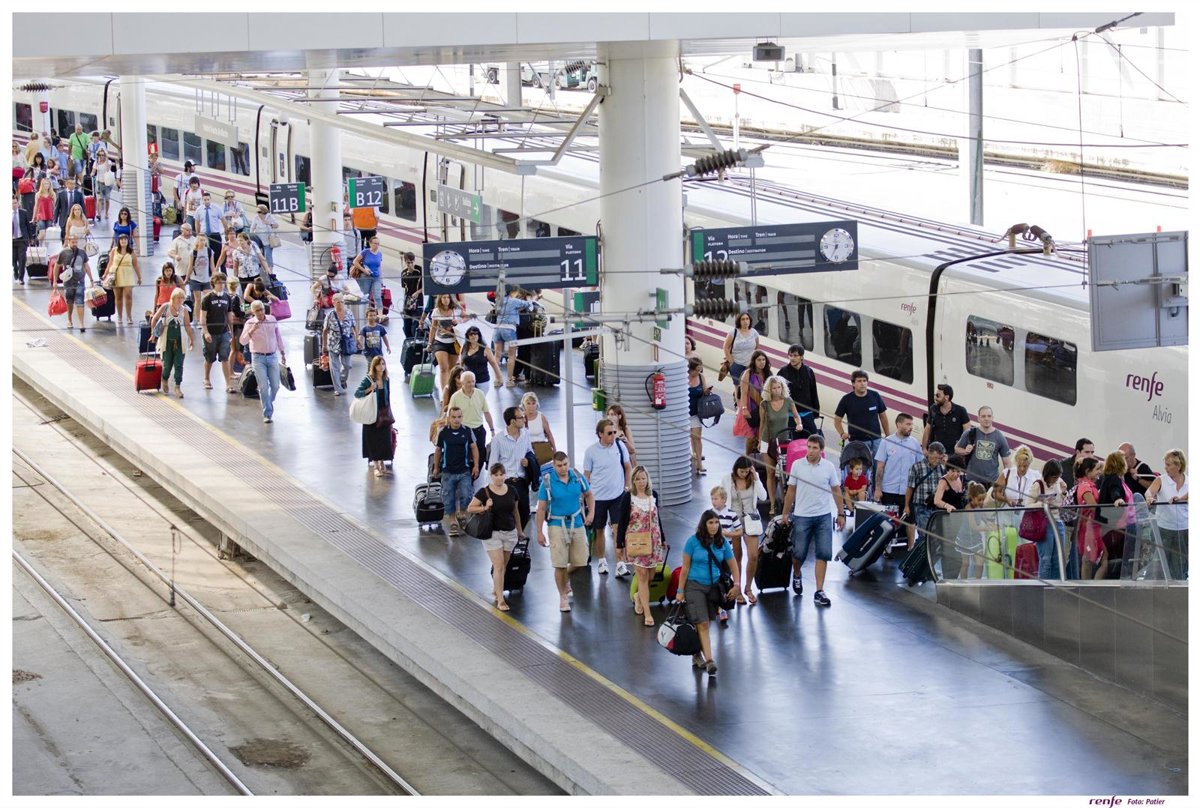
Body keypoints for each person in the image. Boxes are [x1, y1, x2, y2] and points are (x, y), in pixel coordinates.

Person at [780, 434, 845, 607]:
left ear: (821, 450)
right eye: (809, 447)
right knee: (799, 554)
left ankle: (819, 591)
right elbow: (791, 491)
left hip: (823, 516)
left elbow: (836, 490)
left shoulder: (829, 467)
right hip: (802, 515)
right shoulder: (797, 465)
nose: (810, 450)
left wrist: (841, 513)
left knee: (823, 553)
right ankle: (797, 573)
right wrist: (785, 513)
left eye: (814, 448)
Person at [673, 510, 741, 676]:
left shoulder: (722, 542)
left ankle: (696, 653)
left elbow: (733, 564)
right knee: (702, 623)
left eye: (716, 522)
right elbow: (685, 568)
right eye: (710, 522)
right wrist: (680, 591)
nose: (714, 526)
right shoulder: (692, 542)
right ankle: (710, 660)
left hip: (713, 588)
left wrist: (737, 585)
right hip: (694, 586)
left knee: (704, 623)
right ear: (704, 524)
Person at [535, 451, 595, 613]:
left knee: (581, 561)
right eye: (559, 466)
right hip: (556, 524)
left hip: (576, 522)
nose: (563, 468)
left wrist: (591, 513)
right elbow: (541, 509)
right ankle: (562, 596)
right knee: (559, 564)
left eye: (565, 464)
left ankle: (564, 577)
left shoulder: (577, 477)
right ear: (554, 466)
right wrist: (539, 532)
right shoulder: (547, 482)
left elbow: (589, 495)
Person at [467, 463, 525, 611]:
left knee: (503, 565)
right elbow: (471, 508)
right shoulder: (484, 492)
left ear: (505, 475)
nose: (499, 478)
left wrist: (519, 530)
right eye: (496, 475)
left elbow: (515, 512)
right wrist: (485, 507)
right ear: (491, 476)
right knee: (499, 565)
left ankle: (496, 589)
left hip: (509, 532)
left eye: (501, 474)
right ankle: (500, 600)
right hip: (492, 533)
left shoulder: (512, 490)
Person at [617, 465, 667, 627]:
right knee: (642, 575)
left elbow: (657, 519)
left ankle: (639, 596)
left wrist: (663, 538)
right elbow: (622, 520)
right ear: (633, 481)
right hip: (636, 541)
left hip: (654, 540)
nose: (641, 482)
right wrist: (619, 543)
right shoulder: (628, 497)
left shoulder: (654, 496)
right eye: (637, 479)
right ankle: (648, 613)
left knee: (651, 575)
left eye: (643, 478)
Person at [583, 418, 634, 579]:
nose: (613, 435)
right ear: (600, 434)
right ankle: (601, 561)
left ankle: (620, 563)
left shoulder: (620, 446)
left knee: (618, 529)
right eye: (609, 433)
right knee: (599, 530)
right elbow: (586, 476)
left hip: (617, 496)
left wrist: (627, 486)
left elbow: (628, 467)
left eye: (614, 432)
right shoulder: (591, 452)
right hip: (598, 498)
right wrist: (585, 498)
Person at [722, 456, 768, 604]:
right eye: (742, 471)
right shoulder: (727, 479)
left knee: (753, 555)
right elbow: (722, 499)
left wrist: (756, 479)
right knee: (737, 556)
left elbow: (763, 496)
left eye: (747, 471)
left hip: (750, 520)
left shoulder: (753, 478)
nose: (744, 474)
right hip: (734, 521)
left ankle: (748, 587)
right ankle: (738, 589)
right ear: (736, 469)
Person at [432, 406, 480, 536]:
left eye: (459, 417)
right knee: (448, 498)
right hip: (447, 472)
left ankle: (462, 514)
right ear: (449, 418)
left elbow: (474, 448)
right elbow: (438, 450)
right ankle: (452, 521)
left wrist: (476, 466)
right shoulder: (443, 432)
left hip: (464, 470)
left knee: (467, 494)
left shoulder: (467, 431)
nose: (456, 420)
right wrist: (436, 467)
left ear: (462, 417)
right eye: (453, 417)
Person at [486, 406, 534, 534]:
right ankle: (512, 540)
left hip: (522, 481)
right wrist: (489, 488)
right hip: (506, 482)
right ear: (512, 421)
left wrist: (528, 461)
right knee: (508, 515)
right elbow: (493, 463)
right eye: (521, 417)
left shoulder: (526, 434)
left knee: (525, 513)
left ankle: (518, 537)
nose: (524, 419)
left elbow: (530, 452)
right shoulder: (498, 439)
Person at [238, 299, 287, 423]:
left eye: (261, 310)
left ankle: (268, 402)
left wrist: (282, 351)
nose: (260, 312)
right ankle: (267, 413)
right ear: (253, 312)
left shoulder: (272, 319)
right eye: (257, 311)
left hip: (272, 356)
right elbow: (242, 341)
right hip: (258, 358)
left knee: (275, 386)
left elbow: (278, 336)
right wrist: (252, 330)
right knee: (263, 387)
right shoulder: (249, 323)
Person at [758, 375, 800, 514]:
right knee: (770, 472)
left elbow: (796, 416)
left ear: (782, 388)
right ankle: (772, 504)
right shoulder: (764, 404)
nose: (776, 390)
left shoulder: (788, 401)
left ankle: (784, 501)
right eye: (773, 388)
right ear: (769, 390)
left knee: (783, 473)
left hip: (783, 441)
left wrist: (799, 424)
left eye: (778, 387)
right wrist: (759, 441)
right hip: (767, 440)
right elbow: (762, 423)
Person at [1146, 449, 1187, 580]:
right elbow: (1149, 492)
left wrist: (1181, 499)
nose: (1165, 468)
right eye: (1166, 464)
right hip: (1163, 529)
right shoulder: (1161, 480)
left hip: (1184, 529)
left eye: (1169, 465)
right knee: (1158, 564)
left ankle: (1178, 590)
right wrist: (1150, 498)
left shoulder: (1190, 481)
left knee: (1180, 566)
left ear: (1178, 466)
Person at [874, 412, 923, 519]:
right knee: (887, 523)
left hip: (908, 491)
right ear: (898, 424)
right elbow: (880, 468)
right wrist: (877, 489)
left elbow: (921, 467)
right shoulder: (886, 442)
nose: (911, 427)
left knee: (909, 522)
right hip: (889, 490)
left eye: (911, 424)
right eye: (908, 424)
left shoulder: (915, 443)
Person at [148, 287, 196, 398]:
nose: (180, 300)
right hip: (167, 342)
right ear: (173, 298)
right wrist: (153, 334)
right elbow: (154, 319)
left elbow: (188, 326)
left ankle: (177, 387)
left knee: (179, 365)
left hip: (180, 343)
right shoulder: (166, 307)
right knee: (167, 365)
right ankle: (164, 378)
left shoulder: (184, 310)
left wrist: (191, 340)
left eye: (182, 298)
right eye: (178, 298)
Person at [834, 370, 890, 459]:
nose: (862, 383)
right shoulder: (846, 399)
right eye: (859, 381)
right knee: (860, 467)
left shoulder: (875, 395)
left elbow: (883, 416)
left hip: (876, 440)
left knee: (878, 465)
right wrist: (842, 433)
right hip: (857, 442)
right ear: (853, 384)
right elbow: (837, 420)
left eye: (864, 381)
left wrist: (888, 435)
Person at [355, 356, 395, 477]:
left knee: (384, 439)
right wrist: (369, 389)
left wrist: (390, 412)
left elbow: (388, 397)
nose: (381, 366)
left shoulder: (386, 379)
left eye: (383, 364)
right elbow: (357, 393)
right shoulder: (368, 379)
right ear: (374, 366)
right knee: (373, 440)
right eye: (378, 364)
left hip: (383, 413)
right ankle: (376, 465)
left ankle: (382, 462)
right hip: (372, 413)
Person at [954, 406, 1012, 488]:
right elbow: (956, 449)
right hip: (971, 481)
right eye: (983, 416)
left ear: (992, 418)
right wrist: (965, 451)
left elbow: (1007, 463)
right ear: (978, 418)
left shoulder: (999, 436)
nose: (986, 419)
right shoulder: (970, 433)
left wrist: (1004, 482)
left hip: (991, 483)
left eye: (989, 416)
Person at [904, 441, 947, 551]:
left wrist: (946, 463)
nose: (937, 461)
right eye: (935, 458)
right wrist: (907, 506)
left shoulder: (942, 468)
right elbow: (910, 488)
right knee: (925, 534)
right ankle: (920, 554)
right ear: (928, 453)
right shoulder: (916, 467)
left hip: (936, 506)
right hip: (921, 505)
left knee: (936, 535)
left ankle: (928, 554)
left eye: (939, 458)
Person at [1031, 460, 1069, 580]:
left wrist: (1064, 493)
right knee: (1046, 560)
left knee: (1058, 559)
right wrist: (1042, 503)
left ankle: (1056, 585)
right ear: (1048, 475)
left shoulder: (1059, 482)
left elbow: (1061, 502)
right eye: (1054, 477)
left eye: (1058, 477)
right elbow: (1028, 505)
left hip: (1058, 522)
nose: (1056, 480)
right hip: (1044, 524)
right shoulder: (1038, 485)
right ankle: (1044, 586)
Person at [198, 272, 236, 392]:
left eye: (223, 283)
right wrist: (206, 332)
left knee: (225, 357)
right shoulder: (207, 298)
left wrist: (231, 332)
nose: (221, 285)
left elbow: (229, 315)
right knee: (210, 358)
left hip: (223, 332)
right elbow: (202, 318)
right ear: (213, 284)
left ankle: (228, 384)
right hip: (211, 333)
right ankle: (206, 378)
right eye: (219, 283)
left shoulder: (227, 297)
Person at [493, 287, 537, 387]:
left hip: (497, 329)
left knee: (497, 356)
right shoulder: (514, 301)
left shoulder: (498, 301)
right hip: (509, 329)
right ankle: (509, 380)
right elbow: (529, 306)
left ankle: (497, 380)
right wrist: (530, 298)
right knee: (511, 356)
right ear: (511, 292)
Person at [710, 486, 742, 616]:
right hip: (712, 553)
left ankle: (723, 605)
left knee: (725, 579)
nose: (713, 501)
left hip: (726, 553)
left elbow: (740, 531)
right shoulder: (709, 514)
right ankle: (715, 605)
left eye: (716, 499)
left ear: (724, 499)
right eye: (712, 499)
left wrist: (729, 534)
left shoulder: (731, 514)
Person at [449, 370, 494, 465]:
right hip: (463, 430)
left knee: (481, 455)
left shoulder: (480, 394)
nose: (471, 384)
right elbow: (450, 416)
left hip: (478, 430)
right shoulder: (455, 397)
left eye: (473, 381)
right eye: (468, 382)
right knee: (463, 456)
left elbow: (486, 412)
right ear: (462, 383)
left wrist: (492, 429)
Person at [777, 344, 821, 437]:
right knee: (793, 441)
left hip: (807, 413)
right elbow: (777, 394)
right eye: (790, 355)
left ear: (802, 357)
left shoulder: (809, 371)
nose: (792, 358)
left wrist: (816, 412)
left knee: (812, 439)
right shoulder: (783, 372)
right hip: (790, 415)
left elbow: (813, 392)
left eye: (795, 355)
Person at [1073, 457, 1106, 580]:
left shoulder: (1089, 485)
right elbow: (1094, 507)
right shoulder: (1085, 487)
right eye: (1097, 469)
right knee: (1090, 559)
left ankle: (1088, 586)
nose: (1099, 472)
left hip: (1092, 527)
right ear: (1088, 471)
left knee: (1092, 559)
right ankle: (1088, 587)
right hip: (1089, 528)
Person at [322, 293, 361, 396]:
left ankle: (342, 380)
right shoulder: (330, 315)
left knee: (347, 365)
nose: (340, 304)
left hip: (346, 343)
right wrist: (324, 345)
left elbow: (354, 327)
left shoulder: (349, 313)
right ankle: (338, 388)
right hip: (333, 344)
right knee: (334, 367)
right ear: (334, 303)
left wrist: (357, 339)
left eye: (342, 302)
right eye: (338, 302)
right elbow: (325, 330)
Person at [53, 235, 94, 331]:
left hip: (80, 281)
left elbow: (86, 266)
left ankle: (81, 323)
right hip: (68, 282)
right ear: (68, 242)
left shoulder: (82, 252)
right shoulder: (63, 253)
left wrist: (91, 279)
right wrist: (55, 281)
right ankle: (69, 320)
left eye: (76, 242)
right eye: (73, 242)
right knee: (69, 301)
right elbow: (57, 266)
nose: (75, 244)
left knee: (80, 301)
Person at [102, 232, 141, 326]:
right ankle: (119, 316)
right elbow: (110, 262)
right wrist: (105, 274)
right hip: (116, 274)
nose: (123, 241)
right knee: (118, 297)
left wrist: (139, 277)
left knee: (128, 295)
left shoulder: (131, 252)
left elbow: (135, 265)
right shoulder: (114, 250)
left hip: (127, 274)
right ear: (118, 241)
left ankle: (129, 316)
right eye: (121, 240)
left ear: (128, 241)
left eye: (125, 239)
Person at [737, 350, 771, 455]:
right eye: (759, 360)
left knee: (761, 436)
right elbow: (743, 393)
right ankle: (747, 456)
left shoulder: (768, 374)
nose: (762, 362)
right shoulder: (748, 373)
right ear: (754, 361)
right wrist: (744, 409)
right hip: (751, 407)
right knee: (751, 436)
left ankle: (758, 458)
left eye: (763, 359)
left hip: (764, 408)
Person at [427, 294, 463, 391]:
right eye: (443, 297)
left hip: (454, 342)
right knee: (443, 368)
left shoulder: (456, 310)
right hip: (440, 342)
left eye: (448, 297)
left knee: (452, 369)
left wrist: (458, 321)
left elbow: (465, 318)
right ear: (440, 299)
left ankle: (451, 389)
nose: (446, 300)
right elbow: (433, 327)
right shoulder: (436, 311)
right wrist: (430, 343)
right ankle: (444, 392)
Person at [954, 482, 988, 579]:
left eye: (983, 499)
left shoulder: (980, 506)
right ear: (972, 498)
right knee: (965, 563)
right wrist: (988, 528)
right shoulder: (969, 508)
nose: (982, 502)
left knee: (980, 561)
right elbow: (973, 526)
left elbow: (983, 516)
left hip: (975, 537)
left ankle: (978, 581)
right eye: (979, 499)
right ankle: (963, 583)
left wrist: (989, 522)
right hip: (964, 538)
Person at [922, 383, 970, 451]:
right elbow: (927, 429)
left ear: (946, 397)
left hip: (954, 452)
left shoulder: (960, 411)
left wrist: (962, 449)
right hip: (937, 452)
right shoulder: (933, 409)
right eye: (935, 395)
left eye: (938, 396)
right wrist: (924, 448)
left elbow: (967, 432)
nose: (935, 398)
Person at [458, 325, 503, 395]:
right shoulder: (464, 347)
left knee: (479, 399)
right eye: (471, 334)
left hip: (482, 381)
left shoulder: (485, 348)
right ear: (468, 336)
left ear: (479, 335)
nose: (473, 336)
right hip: (467, 381)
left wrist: (499, 377)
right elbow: (461, 364)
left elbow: (494, 363)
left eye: (475, 334)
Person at [722, 311, 760, 391]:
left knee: (750, 387)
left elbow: (756, 347)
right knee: (738, 387)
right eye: (743, 319)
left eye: (747, 319)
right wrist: (732, 362)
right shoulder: (733, 332)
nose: (745, 321)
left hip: (750, 365)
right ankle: (738, 399)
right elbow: (725, 347)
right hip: (737, 365)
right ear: (739, 321)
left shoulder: (754, 332)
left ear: (750, 320)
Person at [686, 357, 711, 475]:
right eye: (696, 370)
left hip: (696, 413)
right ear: (690, 369)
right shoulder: (683, 377)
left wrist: (706, 392)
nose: (698, 372)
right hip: (683, 413)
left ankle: (699, 464)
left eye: (700, 370)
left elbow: (704, 390)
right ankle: (693, 455)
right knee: (688, 437)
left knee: (697, 437)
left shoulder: (701, 377)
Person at [350, 235, 385, 312]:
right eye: (375, 243)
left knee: (377, 296)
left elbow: (379, 267)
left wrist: (381, 279)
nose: (377, 245)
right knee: (366, 296)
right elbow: (355, 262)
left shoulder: (379, 254)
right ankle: (367, 313)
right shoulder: (365, 252)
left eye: (378, 244)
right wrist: (364, 270)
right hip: (365, 277)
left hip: (376, 277)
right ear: (370, 243)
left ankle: (380, 315)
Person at [522, 392, 556, 466]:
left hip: (541, 450)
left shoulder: (541, 417)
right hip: (527, 452)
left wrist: (554, 450)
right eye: (528, 403)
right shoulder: (521, 418)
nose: (531, 406)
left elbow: (549, 434)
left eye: (533, 403)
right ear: (524, 404)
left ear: (536, 404)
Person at [53, 177, 85, 243]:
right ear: (66, 184)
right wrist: (55, 220)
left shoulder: (79, 194)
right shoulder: (61, 194)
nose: (72, 185)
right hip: (64, 219)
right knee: (64, 236)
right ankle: (65, 247)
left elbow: (83, 207)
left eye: (73, 184)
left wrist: (84, 219)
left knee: (74, 237)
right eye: (71, 183)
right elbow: (57, 208)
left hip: (75, 219)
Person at [194, 191, 223, 262]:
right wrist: (198, 234)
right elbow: (197, 223)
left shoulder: (217, 208)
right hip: (204, 235)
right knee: (206, 254)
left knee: (217, 254)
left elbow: (223, 220)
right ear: (202, 200)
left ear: (210, 199)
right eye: (205, 200)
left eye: (208, 199)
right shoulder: (199, 210)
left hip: (215, 234)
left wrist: (226, 231)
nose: (206, 201)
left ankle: (216, 268)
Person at [13, 195, 35, 284]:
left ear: (18, 203)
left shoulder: (23, 212)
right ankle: (15, 269)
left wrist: (31, 238)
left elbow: (28, 226)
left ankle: (21, 278)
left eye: (15, 203)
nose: (14, 205)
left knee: (22, 259)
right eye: (12, 203)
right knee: (13, 259)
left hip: (22, 239)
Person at [90, 150, 116, 221]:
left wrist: (107, 159)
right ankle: (99, 214)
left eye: (103, 155)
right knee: (99, 199)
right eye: (100, 155)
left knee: (107, 199)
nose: (101, 156)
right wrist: (92, 174)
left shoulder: (108, 162)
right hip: (99, 182)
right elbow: (93, 171)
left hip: (107, 183)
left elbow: (108, 169)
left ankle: (106, 213)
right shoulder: (96, 163)